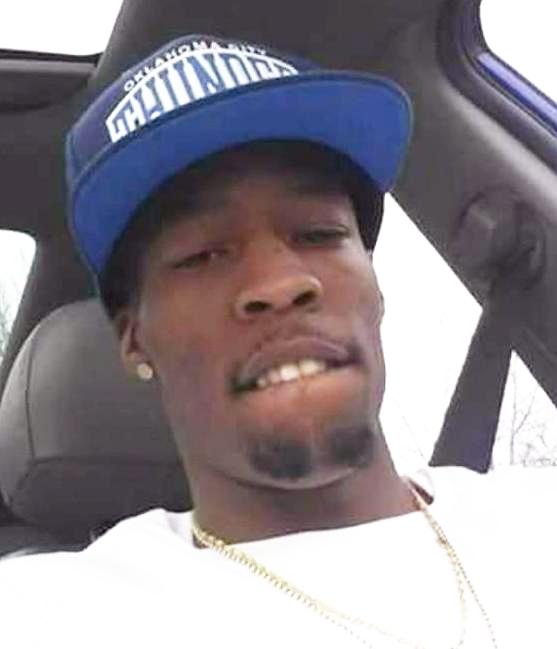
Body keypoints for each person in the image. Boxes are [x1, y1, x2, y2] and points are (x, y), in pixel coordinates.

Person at [0, 33, 555, 649]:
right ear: (135, 342)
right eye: (204, 255)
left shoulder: (539, 517)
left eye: (318, 234)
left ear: (374, 287)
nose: (282, 283)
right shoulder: (49, 614)